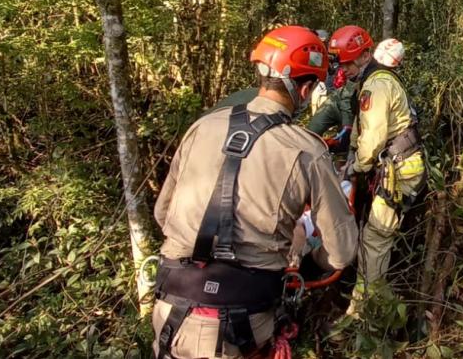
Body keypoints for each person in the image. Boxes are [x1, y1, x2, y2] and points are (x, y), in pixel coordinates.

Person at [151, 25, 358, 359]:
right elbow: (342, 253)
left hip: (169, 313)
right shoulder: (307, 150)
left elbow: (163, 214)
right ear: (304, 91)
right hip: (239, 326)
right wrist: (305, 254)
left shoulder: (202, 127)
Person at [327, 26, 424, 315]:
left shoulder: (376, 85)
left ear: (366, 55)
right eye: (341, 62)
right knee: (371, 233)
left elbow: (373, 137)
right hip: (393, 166)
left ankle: (364, 313)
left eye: (348, 62)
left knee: (375, 238)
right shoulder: (370, 81)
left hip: (400, 170)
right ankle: (365, 297)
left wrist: (354, 168)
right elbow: (362, 130)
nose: (344, 68)